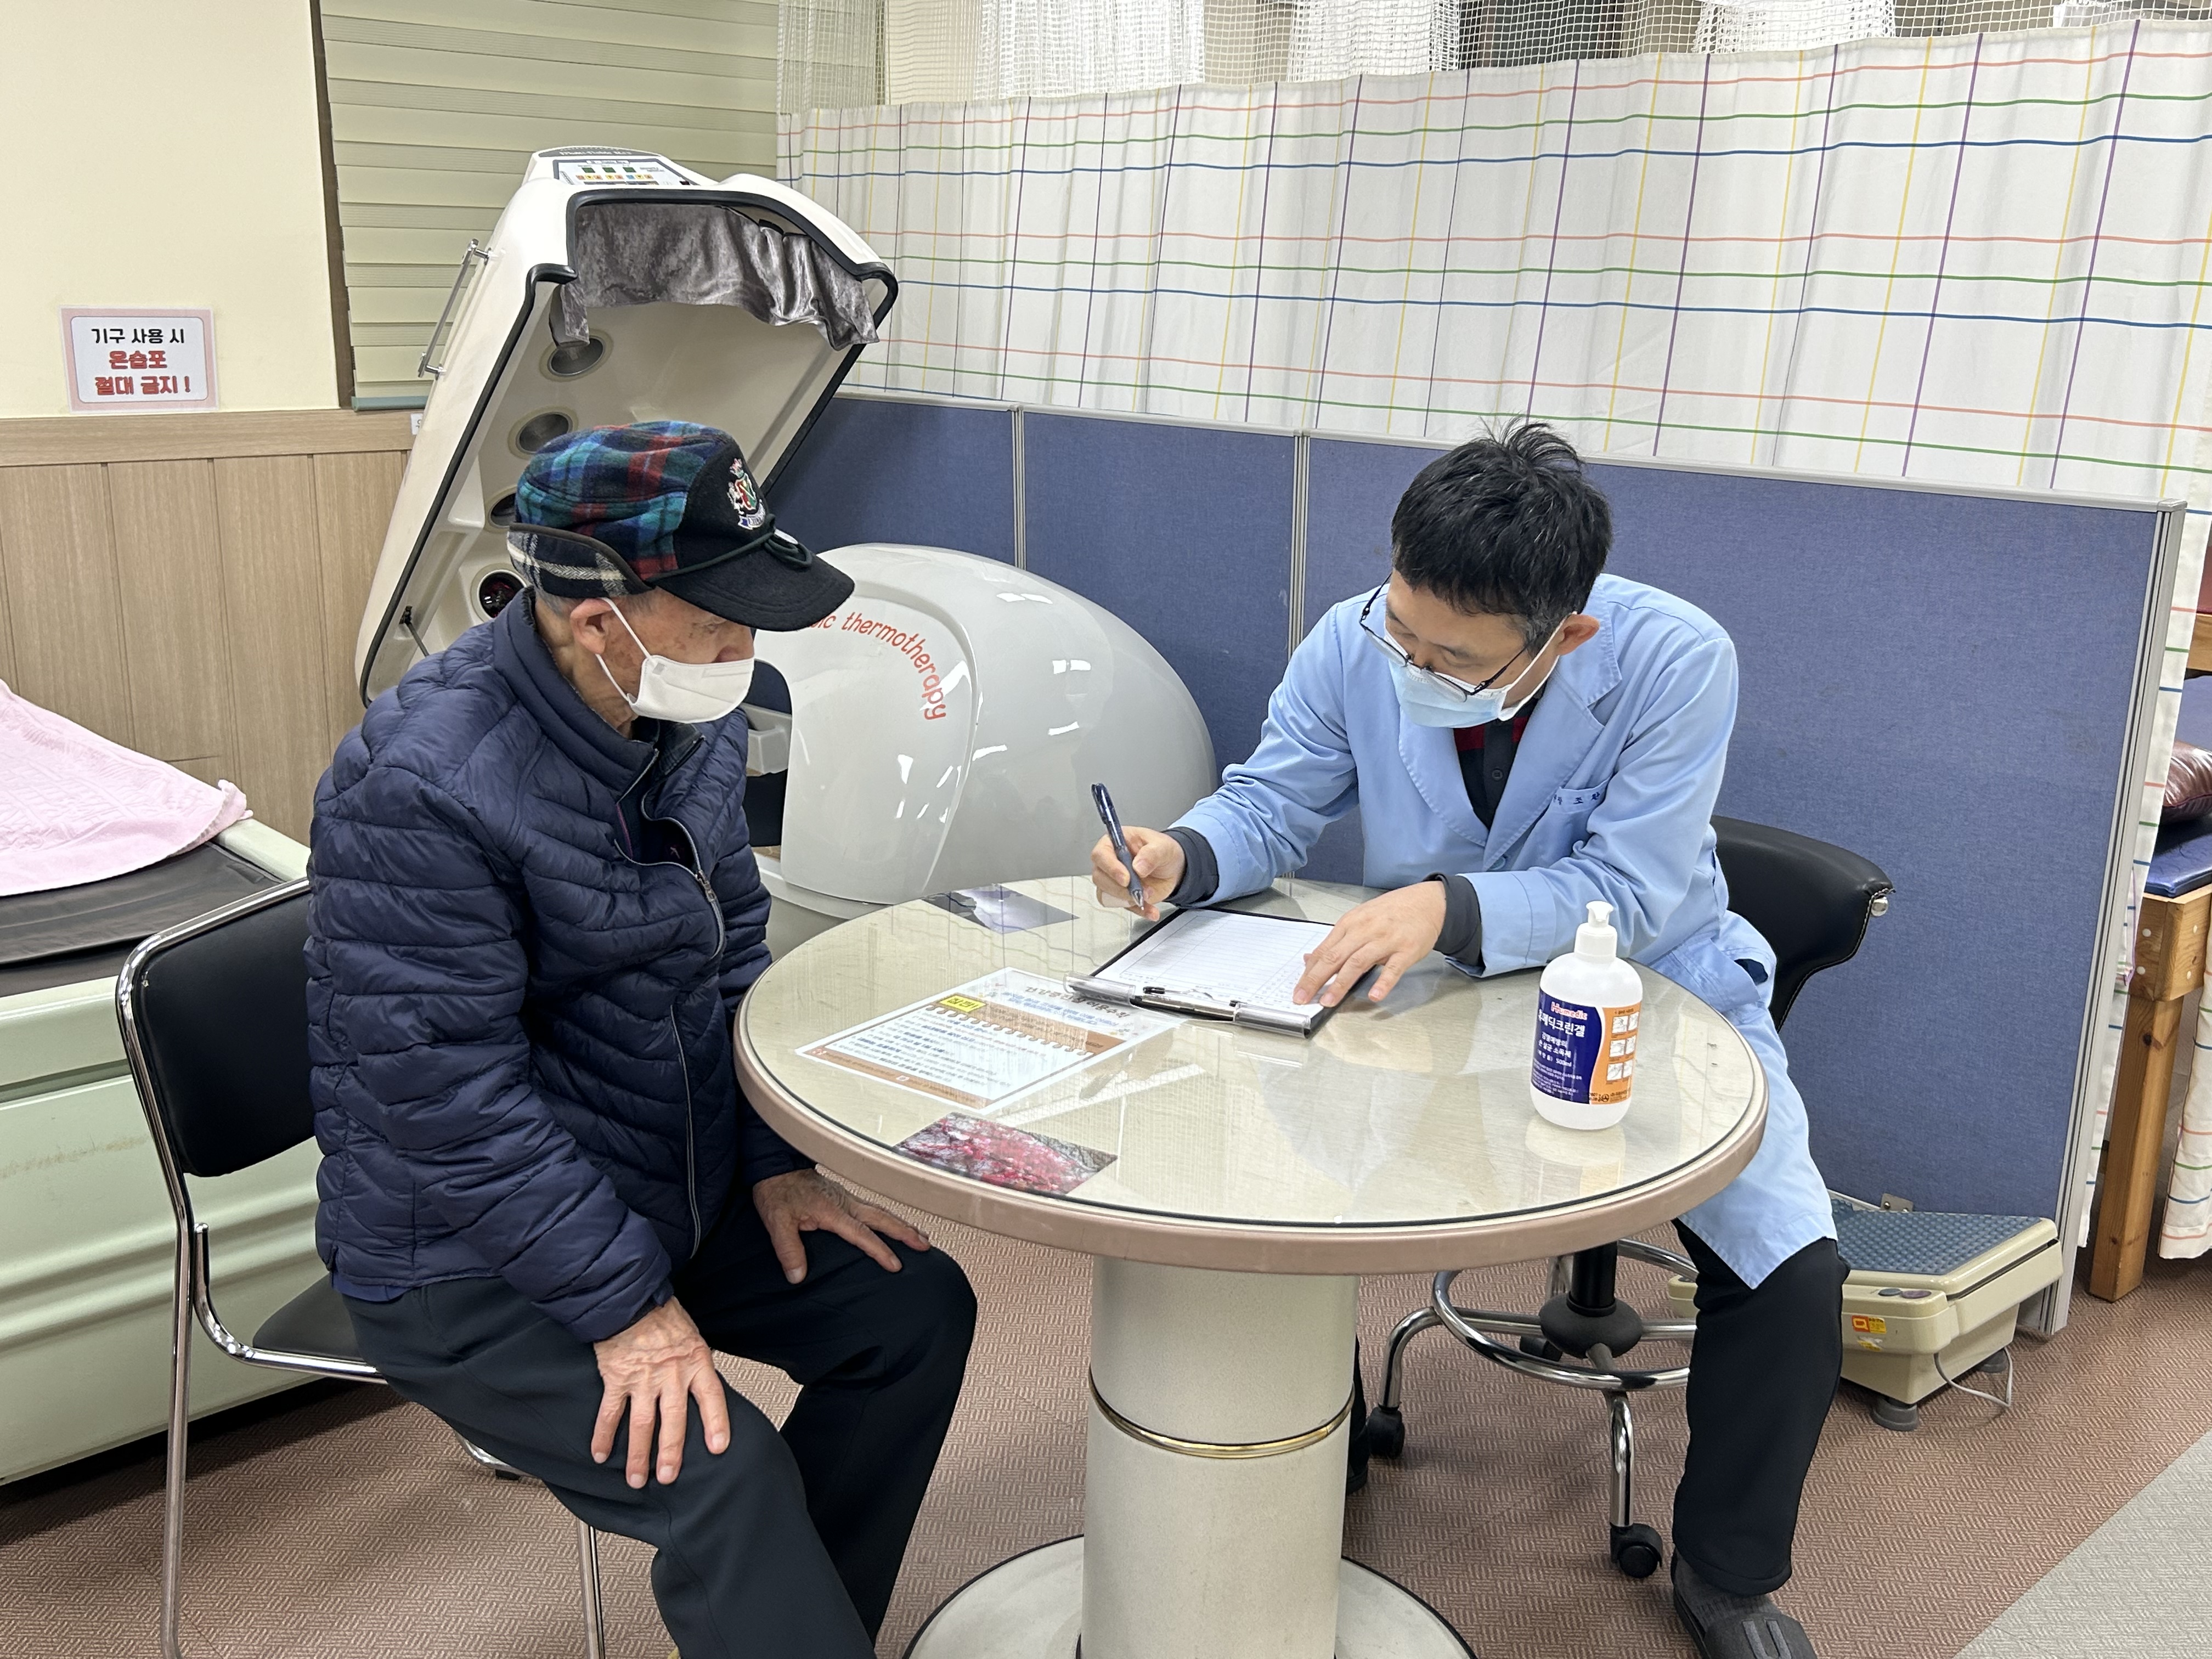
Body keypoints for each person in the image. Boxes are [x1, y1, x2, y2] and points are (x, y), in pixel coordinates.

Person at [1090, 422, 1843, 1659]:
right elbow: (1274, 799)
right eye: (1403, 629)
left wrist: (1448, 906)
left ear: (1566, 636)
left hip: (1653, 988)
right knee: (1280, 1189)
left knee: (1792, 1267)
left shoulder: (1676, 659)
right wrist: (1188, 851)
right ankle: (1307, 1443)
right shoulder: (1357, 637)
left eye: (1452, 657)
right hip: (1431, 986)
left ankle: (1729, 1575)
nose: (1412, 664)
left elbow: (1636, 888)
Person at [308, 421, 976, 1658]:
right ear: (595, 617)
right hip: (464, 1252)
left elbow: (731, 951)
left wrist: (775, 1163)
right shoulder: (420, 784)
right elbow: (448, 1098)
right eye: (718, 624)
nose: (744, 655)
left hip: (668, 1182)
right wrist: (627, 1307)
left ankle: (799, 1630)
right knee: (724, 1472)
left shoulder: (686, 717)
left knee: (914, 1313)